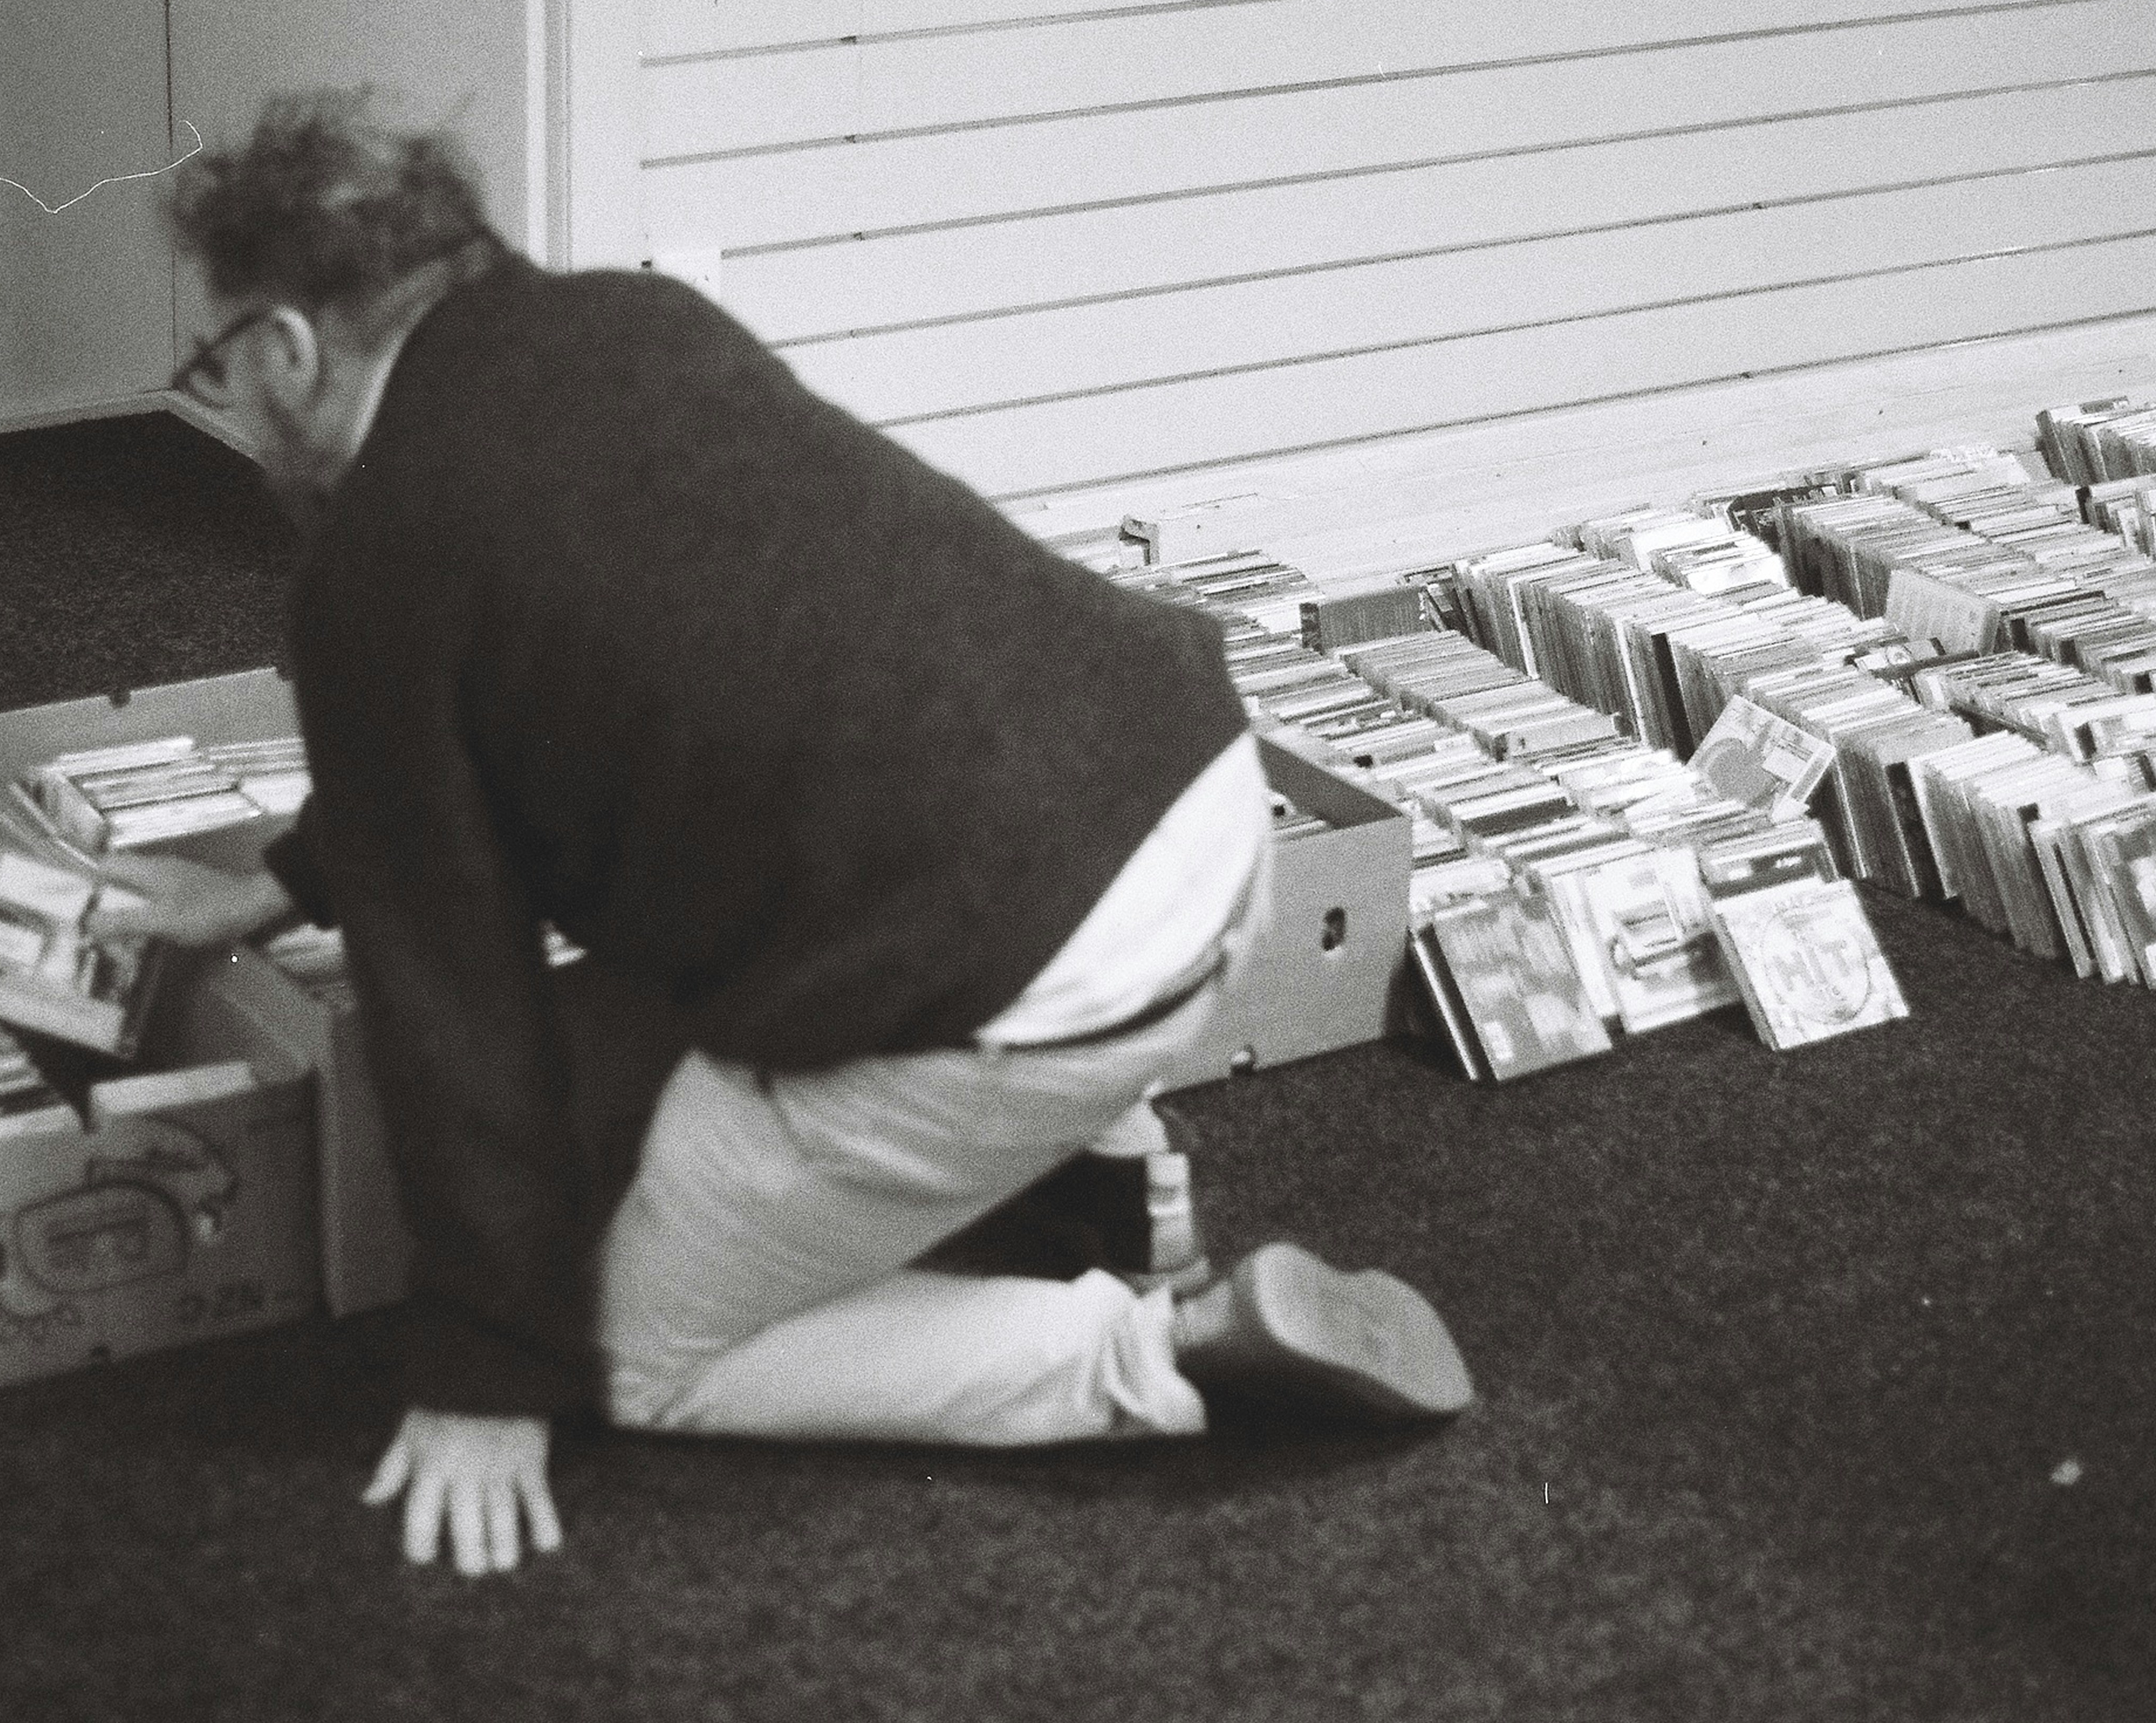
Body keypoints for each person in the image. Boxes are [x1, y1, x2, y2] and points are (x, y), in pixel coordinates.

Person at [95, 90, 1473, 1577]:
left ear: (290, 351)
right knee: (722, 959)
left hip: (1026, 986)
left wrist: (492, 1363)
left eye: (219, 362)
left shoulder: (373, 565)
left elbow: (460, 1017)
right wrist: (296, 876)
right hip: (1200, 805)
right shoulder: (636, 322)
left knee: (650, 1352)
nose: (231, 401)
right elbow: (655, 669)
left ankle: (1156, 1354)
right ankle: (1092, 1169)